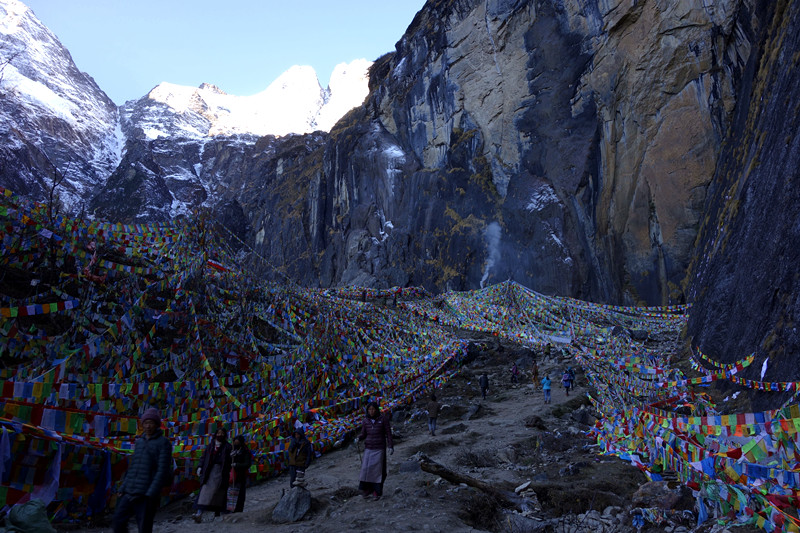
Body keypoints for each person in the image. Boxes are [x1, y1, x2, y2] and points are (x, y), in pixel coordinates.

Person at [113, 407, 173, 533]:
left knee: (144, 527)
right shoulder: (139, 442)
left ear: (157, 425)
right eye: (146, 423)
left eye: (151, 423)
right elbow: (133, 466)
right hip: (130, 490)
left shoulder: (163, 443)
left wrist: (151, 493)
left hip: (146, 494)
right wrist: (123, 487)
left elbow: (162, 470)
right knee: (118, 521)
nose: (148, 426)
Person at [355, 401, 393, 500]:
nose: (371, 411)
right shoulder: (365, 421)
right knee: (366, 470)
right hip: (368, 448)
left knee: (377, 471)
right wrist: (358, 438)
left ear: (376, 410)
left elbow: (388, 433)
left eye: (373, 409)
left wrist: (390, 446)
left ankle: (377, 491)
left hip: (379, 448)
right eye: (369, 409)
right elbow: (364, 434)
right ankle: (367, 489)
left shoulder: (383, 419)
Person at [193, 427, 232, 522]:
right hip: (208, 472)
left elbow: (230, 460)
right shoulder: (210, 446)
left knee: (219, 493)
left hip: (221, 473)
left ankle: (220, 515)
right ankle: (199, 514)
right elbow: (203, 457)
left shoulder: (228, 447)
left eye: (222, 433)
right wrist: (200, 467)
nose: (220, 435)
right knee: (204, 493)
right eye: (218, 433)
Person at [229, 435, 252, 512]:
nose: (236, 444)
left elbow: (247, 464)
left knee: (240, 494)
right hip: (232, 476)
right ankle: (230, 508)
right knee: (231, 493)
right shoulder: (232, 451)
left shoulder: (245, 451)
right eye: (235, 442)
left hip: (241, 476)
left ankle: (238, 510)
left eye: (237, 442)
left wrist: (237, 465)